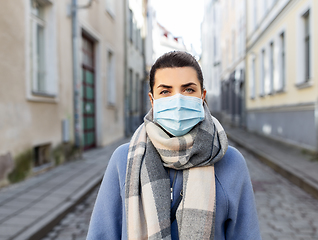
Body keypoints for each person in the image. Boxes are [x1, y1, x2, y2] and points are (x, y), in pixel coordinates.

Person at [86, 51, 261, 240]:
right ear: (152, 100)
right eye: (165, 91)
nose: (177, 101)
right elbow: (101, 234)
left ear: (202, 96)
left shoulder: (230, 162)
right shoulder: (124, 160)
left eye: (188, 90)